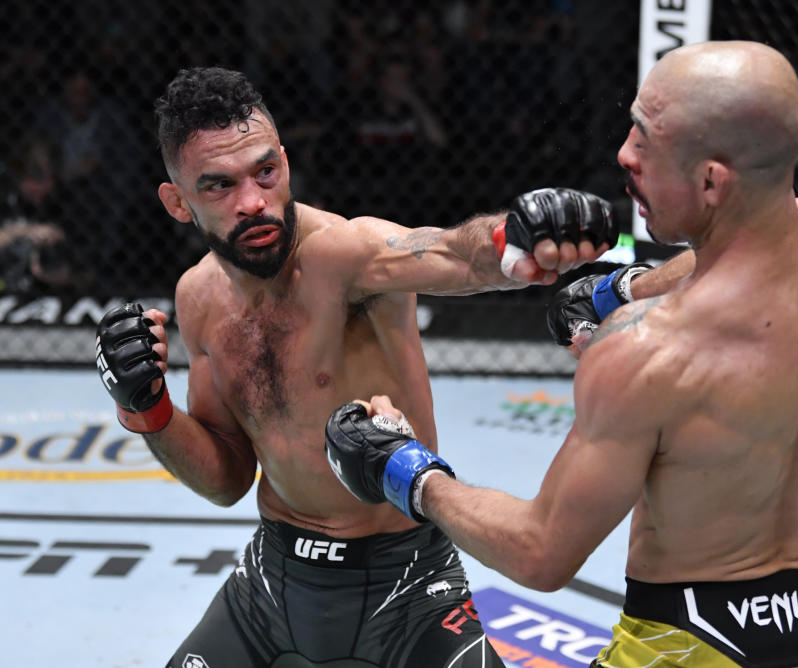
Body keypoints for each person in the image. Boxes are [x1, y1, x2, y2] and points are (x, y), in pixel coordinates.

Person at [325, 41, 798, 667]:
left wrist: (404, 469)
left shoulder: (647, 352)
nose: (625, 153)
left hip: (686, 645)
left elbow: (539, 552)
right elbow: (763, 241)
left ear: (711, 180)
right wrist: (618, 286)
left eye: (648, 141)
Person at [92, 66, 617, 667]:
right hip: (271, 584)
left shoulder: (344, 254)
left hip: (408, 586)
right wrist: (147, 409)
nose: (254, 201)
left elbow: (453, 253)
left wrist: (513, 239)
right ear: (177, 203)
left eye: (266, 171)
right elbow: (227, 478)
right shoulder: (198, 298)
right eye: (218, 186)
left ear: (285, 161)